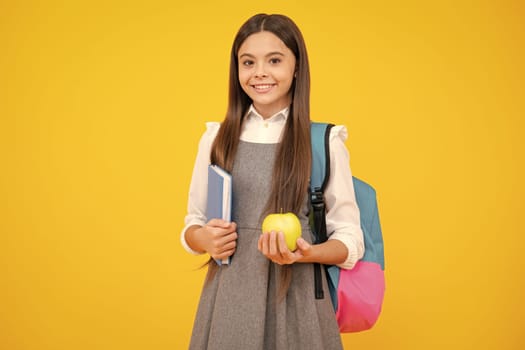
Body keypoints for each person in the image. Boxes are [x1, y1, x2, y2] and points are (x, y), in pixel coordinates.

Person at [181, 13, 364, 350]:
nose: (260, 72)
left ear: (297, 68)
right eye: (247, 62)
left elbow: (351, 242)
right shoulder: (216, 138)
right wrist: (205, 239)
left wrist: (305, 254)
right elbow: (193, 225)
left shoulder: (324, 141)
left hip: (300, 304)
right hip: (229, 301)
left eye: (275, 60)